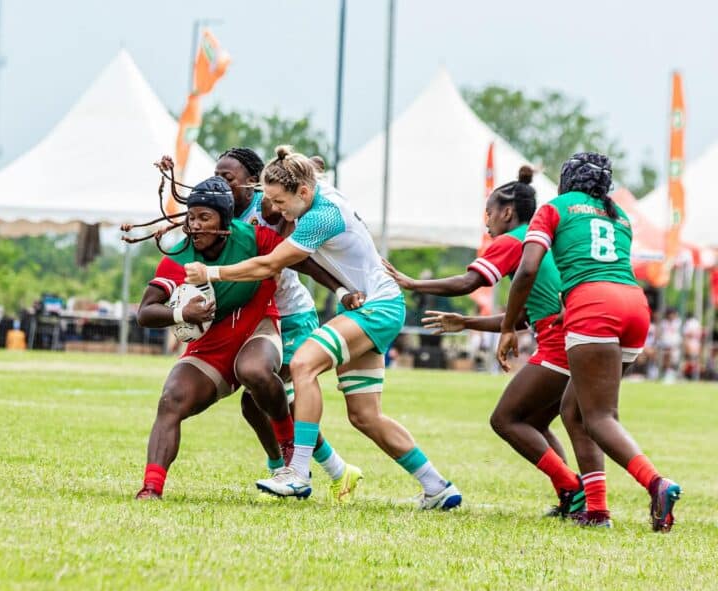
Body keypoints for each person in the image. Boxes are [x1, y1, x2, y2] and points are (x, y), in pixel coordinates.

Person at [185, 145, 461, 509]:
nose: (277, 211)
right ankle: (437, 487)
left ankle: (298, 472)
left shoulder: (321, 216)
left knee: (303, 364)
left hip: (376, 307)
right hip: (380, 304)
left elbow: (269, 265)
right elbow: (308, 170)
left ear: (302, 192)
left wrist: (211, 273)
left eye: (280, 203)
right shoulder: (316, 189)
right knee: (365, 416)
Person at [130, 175, 354, 500]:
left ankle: (290, 455)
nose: (195, 225)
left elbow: (299, 258)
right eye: (191, 217)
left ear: (224, 217)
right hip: (210, 347)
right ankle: (151, 487)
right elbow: (145, 311)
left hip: (258, 329)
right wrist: (181, 313)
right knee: (170, 401)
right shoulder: (181, 256)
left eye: (204, 217)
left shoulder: (253, 236)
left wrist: (342, 288)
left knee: (254, 373)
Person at [384, 167, 585, 517]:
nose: (486, 223)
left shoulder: (511, 241)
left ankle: (572, 486)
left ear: (507, 212)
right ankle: (570, 495)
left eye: (489, 214)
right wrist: (466, 321)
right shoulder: (539, 241)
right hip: (574, 339)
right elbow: (520, 318)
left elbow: (468, 282)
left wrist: (413, 284)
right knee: (534, 422)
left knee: (505, 419)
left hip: (558, 342)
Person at [497, 152, 681, 531]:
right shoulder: (619, 215)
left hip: (595, 306)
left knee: (598, 416)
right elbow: (606, 267)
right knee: (575, 411)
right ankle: (596, 511)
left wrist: (507, 327)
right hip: (634, 306)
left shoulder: (554, 208)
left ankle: (656, 483)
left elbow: (528, 268)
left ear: (567, 180)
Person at [214, 147, 363, 503]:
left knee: (274, 397)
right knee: (255, 403)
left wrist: (341, 289)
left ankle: (300, 472)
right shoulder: (217, 215)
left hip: (291, 316)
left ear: (253, 184)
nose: (219, 182)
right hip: (256, 318)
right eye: (215, 174)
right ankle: (300, 469)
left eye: (227, 177)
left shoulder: (267, 208)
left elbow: (300, 260)